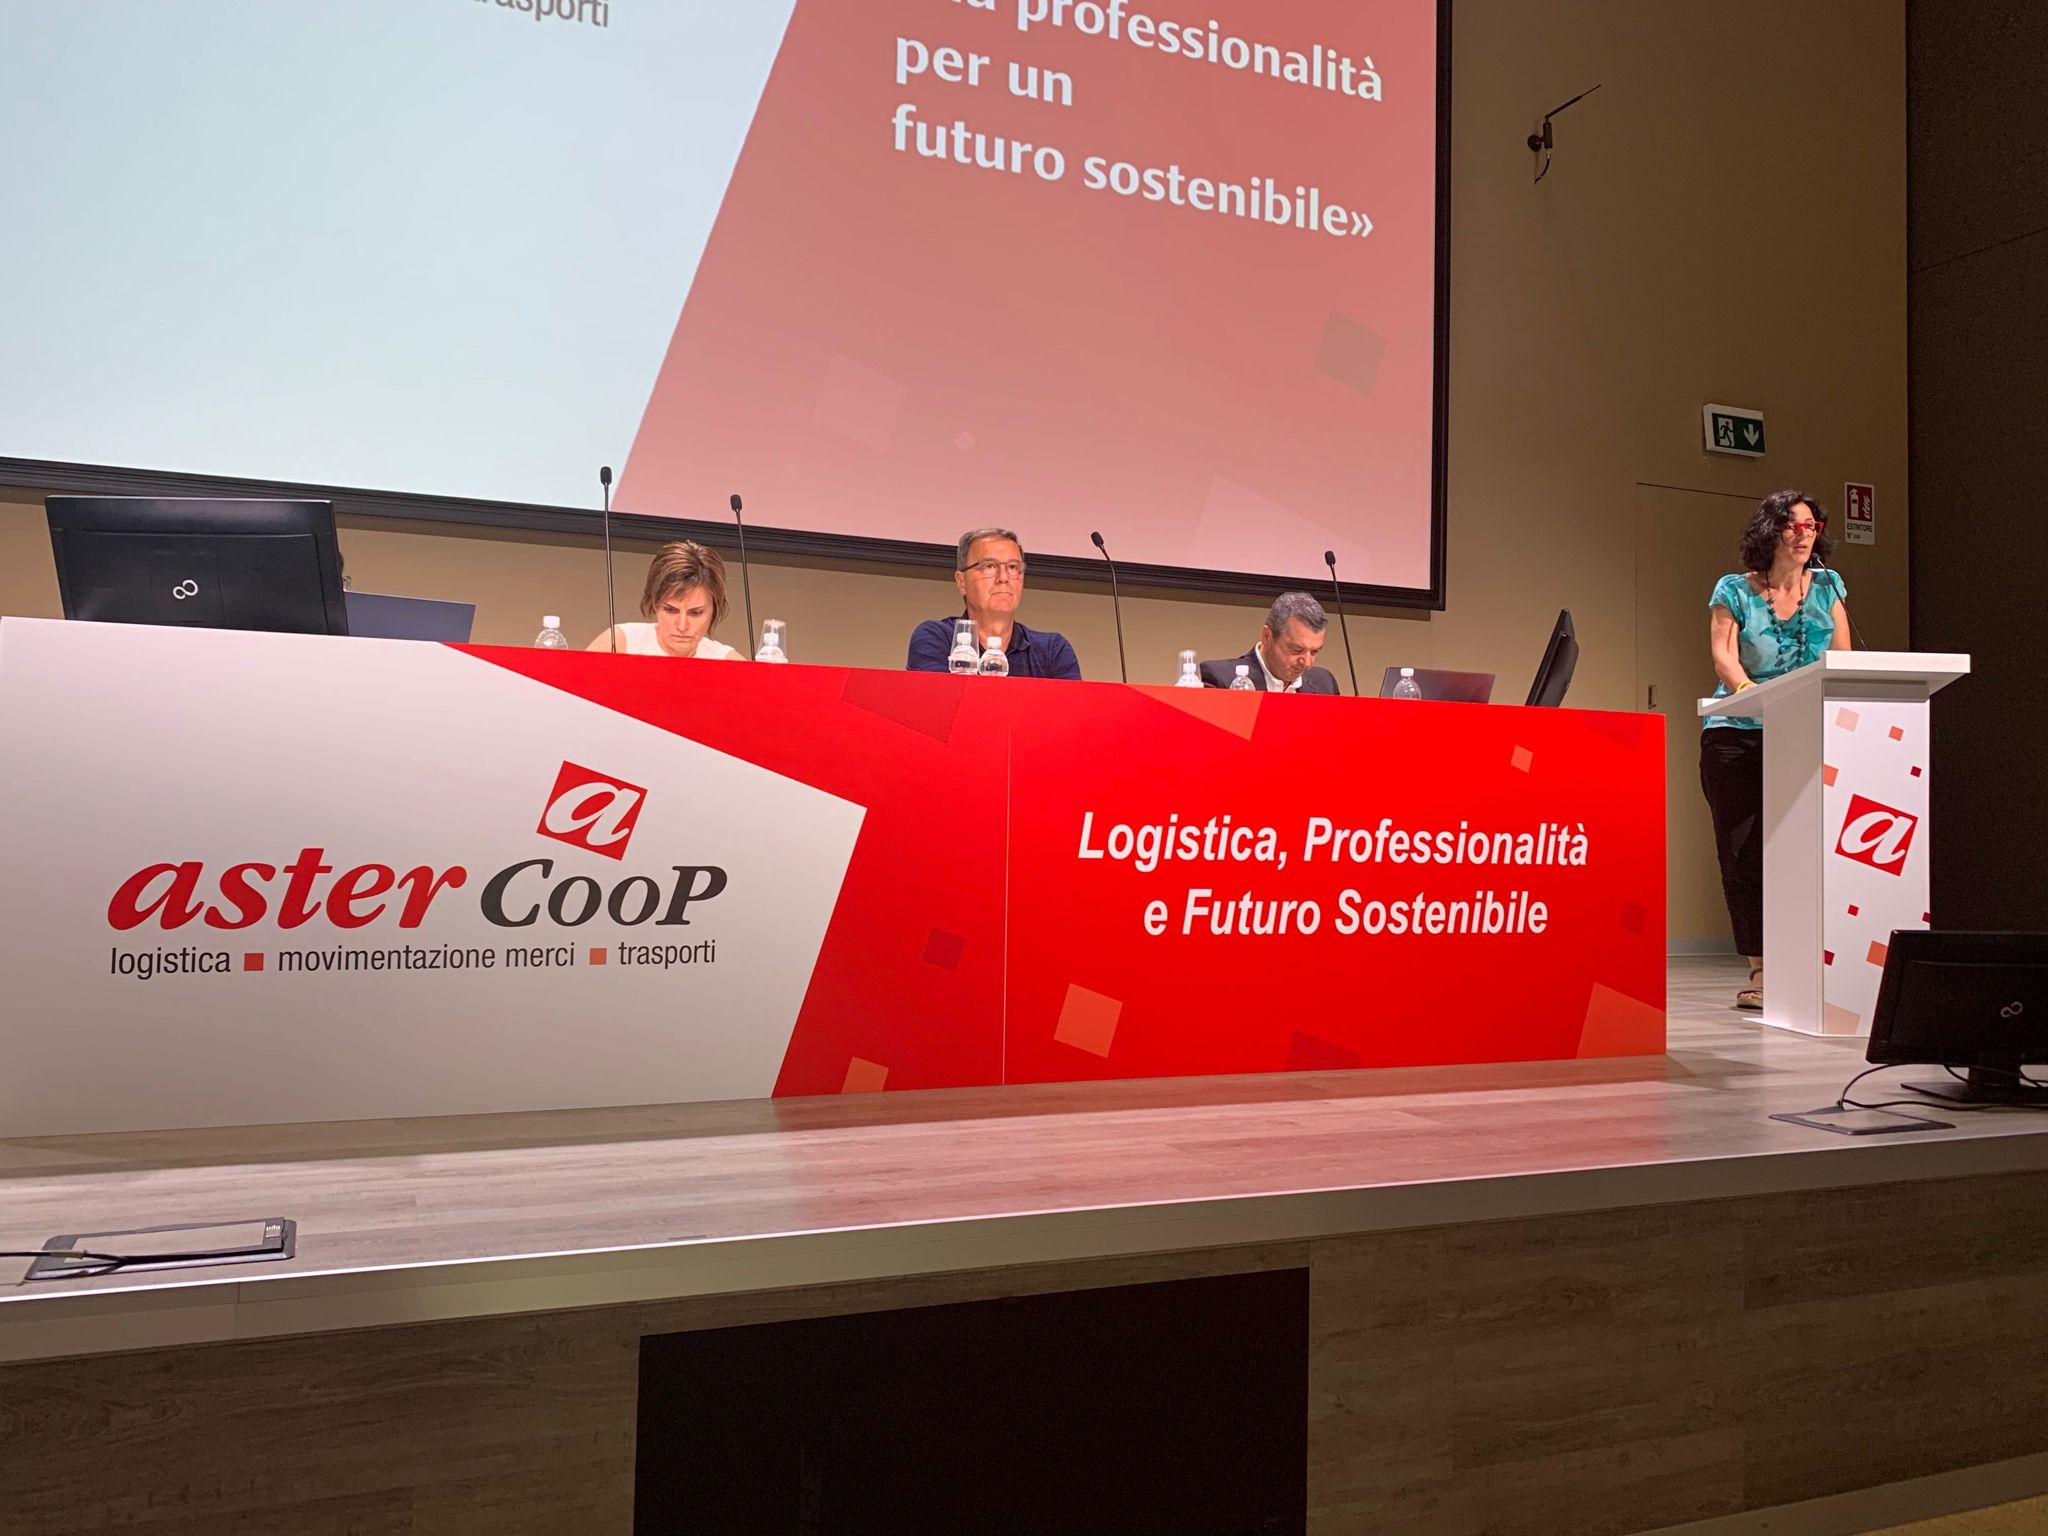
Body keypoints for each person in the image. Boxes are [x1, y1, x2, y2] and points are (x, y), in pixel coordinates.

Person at [1701, 490, 1852, 1010]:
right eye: (1793, 525)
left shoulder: (1828, 585)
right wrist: (1754, 695)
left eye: (1812, 525)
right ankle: (1761, 969)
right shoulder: (1734, 589)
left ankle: (1815, 963)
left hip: (1807, 733)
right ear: (1770, 532)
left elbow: (1843, 658)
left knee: (1807, 849)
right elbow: (1724, 657)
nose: (1805, 533)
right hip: (1738, 734)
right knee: (1744, 855)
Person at [906, 528, 1082, 679]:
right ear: (961, 582)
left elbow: (1071, 708)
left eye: (1013, 567)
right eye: (989, 566)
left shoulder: (1052, 651)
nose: (1003, 578)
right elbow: (939, 703)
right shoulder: (936, 638)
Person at [588, 541, 745, 660]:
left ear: (714, 610)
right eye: (671, 610)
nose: (682, 626)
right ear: (654, 602)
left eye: (696, 613)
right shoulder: (619, 644)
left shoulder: (728, 663)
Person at [1200, 592, 1342, 693]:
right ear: (1267, 636)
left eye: (1314, 652)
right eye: (1297, 650)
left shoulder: (1325, 683)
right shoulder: (1219, 680)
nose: (1307, 663)